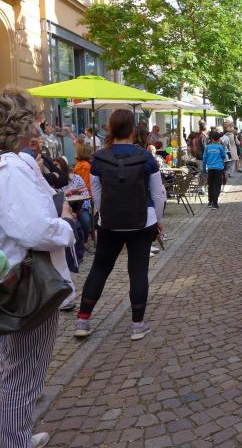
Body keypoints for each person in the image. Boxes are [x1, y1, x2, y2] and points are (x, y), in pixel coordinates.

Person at [0, 88, 76, 447]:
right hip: (23, 282)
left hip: (0, 278)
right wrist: (66, 227)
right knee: (23, 374)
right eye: (33, 121)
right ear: (17, 124)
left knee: (13, 369)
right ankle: (15, 442)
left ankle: (18, 436)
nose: (37, 129)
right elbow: (35, 230)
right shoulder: (9, 166)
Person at [75, 109, 166, 341]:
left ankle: (83, 320)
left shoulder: (99, 158)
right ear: (133, 130)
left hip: (109, 222)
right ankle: (137, 325)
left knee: (99, 268)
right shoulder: (146, 157)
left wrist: (104, 213)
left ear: (110, 129)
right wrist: (158, 220)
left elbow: (96, 192)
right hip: (142, 221)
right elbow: (158, 194)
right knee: (138, 271)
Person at [202, 130, 227, 209]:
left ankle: (210, 202)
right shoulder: (220, 147)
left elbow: (204, 159)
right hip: (219, 168)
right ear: (219, 139)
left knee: (211, 185)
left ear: (212, 138)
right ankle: (215, 204)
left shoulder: (207, 147)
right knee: (217, 185)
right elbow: (224, 156)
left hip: (210, 169)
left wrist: (204, 169)